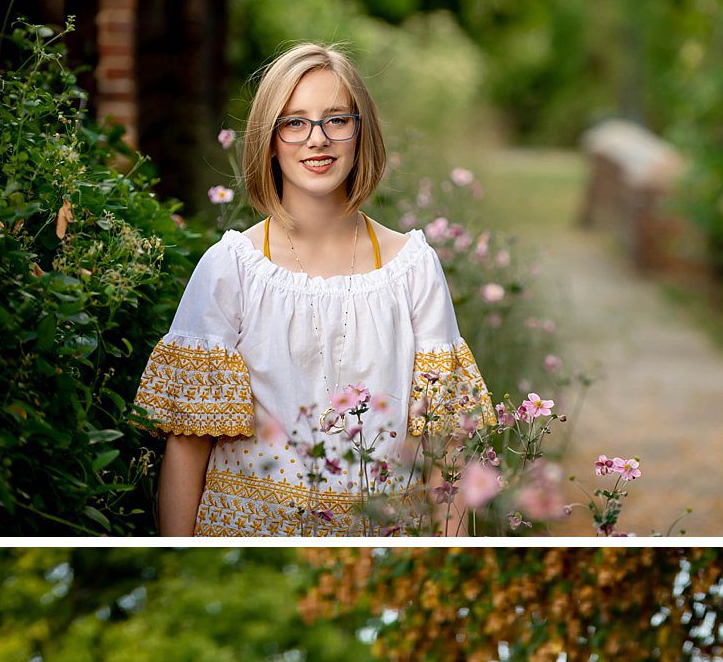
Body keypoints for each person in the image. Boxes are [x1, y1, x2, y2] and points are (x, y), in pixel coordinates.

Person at [135, 41, 491, 536]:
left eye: (336, 120)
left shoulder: (412, 269)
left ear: (360, 133)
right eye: (294, 122)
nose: (316, 139)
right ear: (270, 139)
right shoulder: (231, 268)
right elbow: (187, 444)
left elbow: (446, 447)